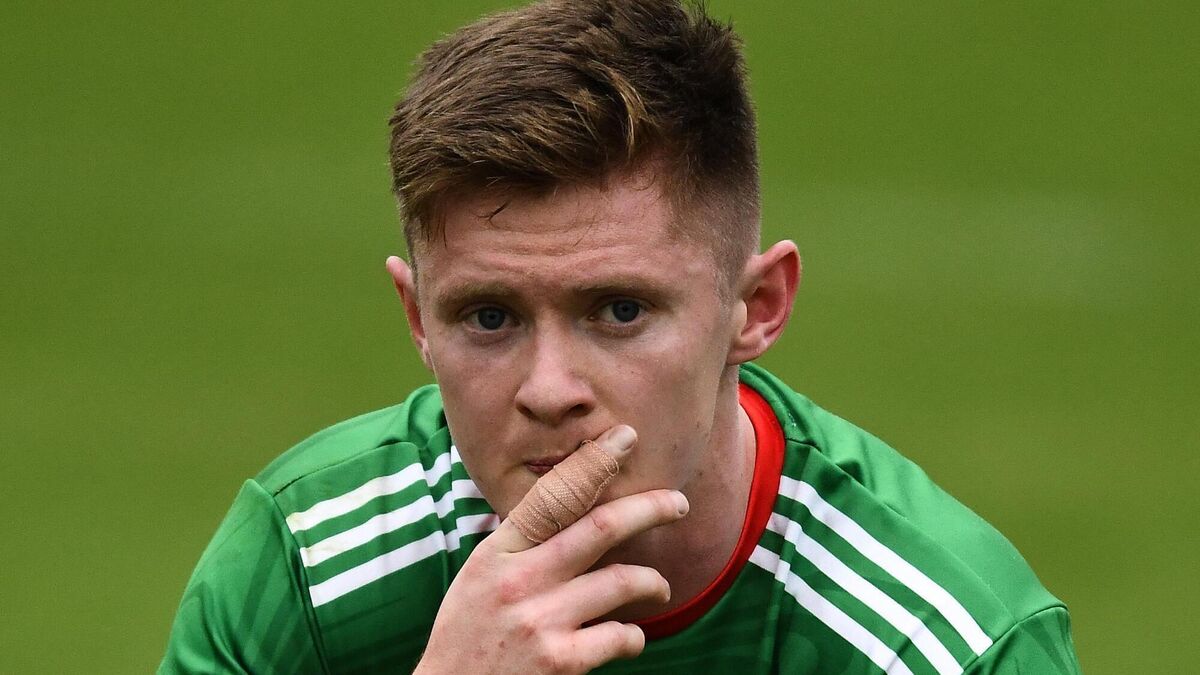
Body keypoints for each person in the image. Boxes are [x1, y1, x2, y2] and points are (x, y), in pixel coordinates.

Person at [160, 1, 1082, 672]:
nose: (548, 389)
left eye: (620, 311)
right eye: (490, 317)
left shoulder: (940, 641)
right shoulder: (310, 569)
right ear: (417, 320)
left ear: (756, 307)